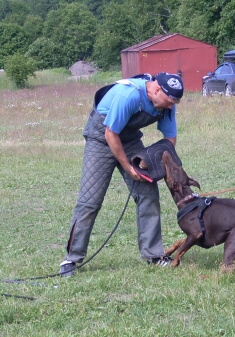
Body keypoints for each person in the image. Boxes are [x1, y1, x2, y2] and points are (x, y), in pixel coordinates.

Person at [59, 72, 184, 277]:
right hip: (101, 138)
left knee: (148, 194)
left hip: (130, 140)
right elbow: (110, 133)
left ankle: (153, 254)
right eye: (169, 101)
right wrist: (128, 167)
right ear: (156, 89)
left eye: (174, 102)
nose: (171, 106)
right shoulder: (129, 95)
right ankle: (71, 259)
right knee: (90, 201)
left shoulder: (168, 103)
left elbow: (169, 137)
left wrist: (165, 164)